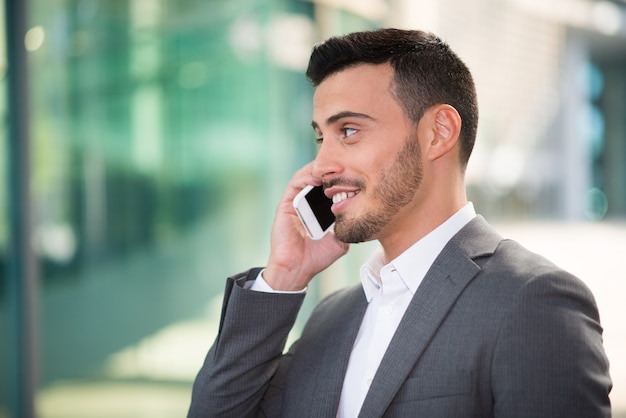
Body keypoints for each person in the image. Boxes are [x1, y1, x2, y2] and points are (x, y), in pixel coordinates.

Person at [188, 28, 612, 417]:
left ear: (438, 133)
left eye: (349, 131)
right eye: (321, 136)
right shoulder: (330, 317)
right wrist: (283, 275)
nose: (320, 165)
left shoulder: (534, 302)